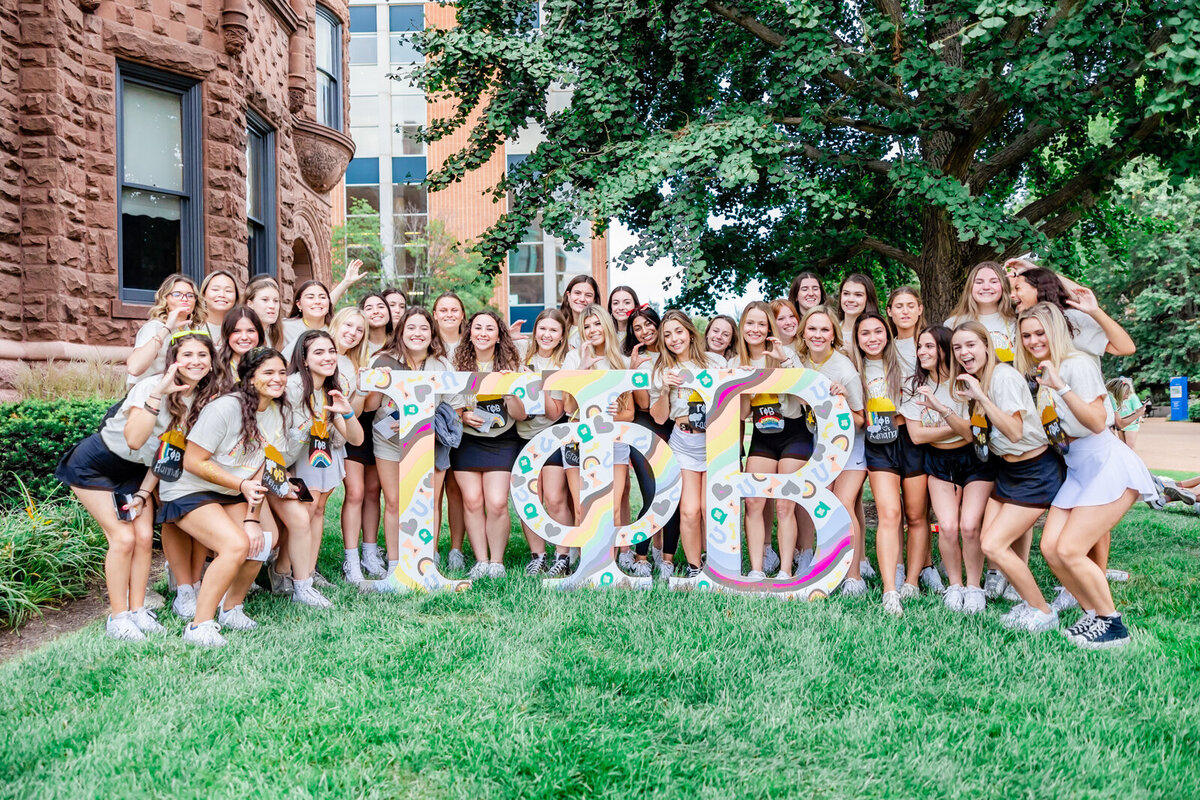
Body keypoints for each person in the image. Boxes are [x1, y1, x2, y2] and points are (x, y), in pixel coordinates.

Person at [55, 331, 221, 640]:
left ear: (212, 363)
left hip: (137, 472)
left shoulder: (200, 401)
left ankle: (136, 611)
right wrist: (158, 392)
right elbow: (134, 439)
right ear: (173, 361)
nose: (195, 361)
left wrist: (145, 493)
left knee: (144, 538)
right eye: (187, 355)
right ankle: (117, 619)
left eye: (202, 356)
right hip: (95, 466)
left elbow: (167, 454)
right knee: (123, 538)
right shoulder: (150, 386)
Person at [1017, 303, 1155, 647]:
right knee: (1051, 548)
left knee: (1071, 549)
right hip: (1077, 470)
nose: (1034, 341)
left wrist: (1061, 386)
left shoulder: (1076, 364)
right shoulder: (1043, 371)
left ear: (1056, 331)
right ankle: (1093, 613)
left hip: (1106, 464)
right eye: (1027, 335)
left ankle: (1113, 624)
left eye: (1040, 333)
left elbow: (1096, 422)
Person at [155, 346, 295, 646]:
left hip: (232, 489)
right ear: (249, 377)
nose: (278, 379)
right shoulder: (225, 408)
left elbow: (260, 466)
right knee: (234, 545)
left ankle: (232, 608)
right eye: (268, 372)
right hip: (188, 488)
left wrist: (251, 518)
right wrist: (239, 486)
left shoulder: (276, 410)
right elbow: (193, 461)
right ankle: (199, 625)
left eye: (282, 372)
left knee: (263, 539)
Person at [939, 321, 1063, 632]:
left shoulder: (1002, 378)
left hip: (1035, 471)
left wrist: (981, 397)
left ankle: (1043, 611)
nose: (964, 352)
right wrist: (942, 410)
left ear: (986, 346)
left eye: (970, 345)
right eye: (957, 348)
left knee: (993, 545)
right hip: (1007, 470)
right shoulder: (977, 380)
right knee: (989, 539)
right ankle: (1027, 600)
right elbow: (977, 434)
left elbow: (1014, 430)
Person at [363, 308, 457, 584]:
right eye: (411, 328)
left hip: (430, 441)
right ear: (401, 332)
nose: (417, 334)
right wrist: (374, 383)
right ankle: (396, 563)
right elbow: (369, 407)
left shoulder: (441, 365)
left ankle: (427, 557)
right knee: (394, 502)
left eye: (423, 328)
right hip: (389, 441)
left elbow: (453, 407)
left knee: (430, 502)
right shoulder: (384, 361)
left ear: (432, 333)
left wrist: (419, 421)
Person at [907, 326, 995, 612]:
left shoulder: (966, 384)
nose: (922, 352)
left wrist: (942, 411)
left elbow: (972, 435)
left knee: (969, 526)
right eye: (920, 347)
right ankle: (955, 586)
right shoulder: (914, 386)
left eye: (930, 346)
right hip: (938, 462)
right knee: (946, 527)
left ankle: (974, 588)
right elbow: (917, 436)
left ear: (944, 349)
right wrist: (956, 425)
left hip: (974, 460)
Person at [850, 313, 932, 614]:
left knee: (916, 514)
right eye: (865, 334)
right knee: (889, 512)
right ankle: (890, 590)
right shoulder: (854, 368)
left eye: (878, 332)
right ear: (857, 339)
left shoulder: (907, 358)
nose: (872, 338)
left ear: (888, 333)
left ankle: (911, 581)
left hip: (910, 437)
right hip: (877, 442)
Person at [793, 306, 869, 594]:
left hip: (851, 447)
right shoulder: (803, 365)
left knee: (843, 504)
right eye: (812, 329)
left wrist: (844, 402)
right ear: (803, 333)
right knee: (824, 506)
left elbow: (862, 421)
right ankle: (827, 567)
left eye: (825, 329)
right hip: (821, 448)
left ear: (834, 335)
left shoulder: (844, 369)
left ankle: (853, 578)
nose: (818, 335)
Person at [650, 311, 726, 579]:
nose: (674, 339)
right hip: (683, 442)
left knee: (711, 507)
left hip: (715, 442)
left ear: (690, 332)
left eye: (678, 332)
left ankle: (717, 564)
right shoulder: (661, 369)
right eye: (667, 334)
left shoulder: (715, 362)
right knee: (690, 509)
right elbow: (659, 417)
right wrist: (663, 390)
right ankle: (695, 568)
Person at [284, 330, 364, 586]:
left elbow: (357, 439)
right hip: (296, 458)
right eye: (319, 352)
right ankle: (285, 572)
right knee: (305, 511)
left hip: (323, 454)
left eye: (331, 351)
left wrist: (348, 413)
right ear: (304, 359)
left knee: (318, 509)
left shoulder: (331, 390)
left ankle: (308, 571)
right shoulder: (292, 387)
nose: (328, 357)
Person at [452, 310, 527, 578]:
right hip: (467, 441)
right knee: (471, 502)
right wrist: (462, 415)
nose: (483, 333)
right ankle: (481, 561)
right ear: (469, 333)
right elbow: (444, 405)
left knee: (496, 502)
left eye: (490, 329)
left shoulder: (511, 365)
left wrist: (510, 391)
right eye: (478, 328)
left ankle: (497, 563)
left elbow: (521, 415)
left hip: (502, 440)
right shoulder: (455, 364)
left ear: (498, 336)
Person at [562, 306, 635, 571]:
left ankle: (609, 566)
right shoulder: (573, 358)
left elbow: (629, 413)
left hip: (614, 443)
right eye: (587, 326)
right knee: (582, 507)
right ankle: (587, 564)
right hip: (577, 442)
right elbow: (568, 408)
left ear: (607, 325)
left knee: (612, 509)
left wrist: (617, 414)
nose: (593, 331)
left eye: (597, 324)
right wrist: (580, 372)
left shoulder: (622, 362)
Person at [734, 301, 798, 578]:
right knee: (753, 502)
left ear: (769, 328)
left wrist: (784, 362)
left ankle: (785, 570)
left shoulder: (786, 353)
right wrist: (744, 385)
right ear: (742, 327)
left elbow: (807, 394)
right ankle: (757, 569)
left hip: (795, 433)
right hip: (762, 434)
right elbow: (742, 413)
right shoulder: (735, 362)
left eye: (762, 324)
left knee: (784, 503)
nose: (755, 329)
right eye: (750, 323)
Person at [516, 309, 572, 575]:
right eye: (543, 329)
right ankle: (537, 555)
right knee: (529, 497)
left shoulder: (564, 364)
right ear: (535, 331)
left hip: (552, 435)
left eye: (553, 330)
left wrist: (545, 383)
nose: (547, 335)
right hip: (521, 434)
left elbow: (554, 412)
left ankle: (563, 554)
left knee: (553, 498)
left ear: (561, 337)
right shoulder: (521, 357)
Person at [626, 306, 680, 579]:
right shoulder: (638, 359)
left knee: (675, 495)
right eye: (637, 328)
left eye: (649, 325)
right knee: (652, 494)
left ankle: (668, 560)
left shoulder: (676, 353)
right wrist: (633, 373)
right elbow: (644, 404)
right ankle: (641, 556)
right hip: (645, 427)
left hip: (678, 429)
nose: (645, 331)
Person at [1009, 264, 1136, 365]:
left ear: (1039, 288)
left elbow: (1126, 348)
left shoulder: (1072, 319)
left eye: (1017, 288)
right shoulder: (1023, 323)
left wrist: (1095, 311)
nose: (1012, 295)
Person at [431, 291, 469, 568]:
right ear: (434, 315)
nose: (448, 314)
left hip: (468, 425)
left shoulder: (470, 343)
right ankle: (429, 548)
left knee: (457, 490)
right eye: (442, 310)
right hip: (434, 426)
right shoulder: (428, 344)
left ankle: (456, 549)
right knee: (433, 489)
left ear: (462, 315)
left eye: (454, 310)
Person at [125, 274, 206, 386]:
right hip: (147, 396)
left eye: (190, 295)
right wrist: (167, 328)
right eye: (177, 294)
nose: (185, 299)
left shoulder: (195, 330)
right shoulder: (154, 327)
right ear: (165, 299)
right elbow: (134, 368)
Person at [944, 261, 1018, 363]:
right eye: (979, 282)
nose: (986, 287)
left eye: (994, 281)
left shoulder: (1016, 321)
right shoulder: (953, 324)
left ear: (1003, 286)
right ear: (970, 287)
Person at [282, 280, 334, 354]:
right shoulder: (284, 328)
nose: (317, 301)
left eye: (322, 297)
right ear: (299, 304)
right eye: (310, 297)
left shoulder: (336, 331)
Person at [885, 286, 926, 376]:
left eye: (911, 306)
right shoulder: (885, 347)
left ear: (920, 309)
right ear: (889, 311)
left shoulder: (931, 342)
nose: (905, 311)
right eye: (899, 307)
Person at [218, 306, 265, 381]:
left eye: (250, 331)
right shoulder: (214, 363)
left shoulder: (270, 362)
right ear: (226, 333)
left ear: (259, 333)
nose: (244, 337)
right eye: (236, 331)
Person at [835, 273, 880, 346]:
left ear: (868, 299)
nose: (850, 299)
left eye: (858, 295)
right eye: (846, 294)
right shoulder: (831, 330)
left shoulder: (876, 335)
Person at [200, 270, 240, 348]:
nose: (222, 295)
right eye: (215, 289)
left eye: (228, 291)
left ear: (236, 298)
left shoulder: (242, 329)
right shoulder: (192, 327)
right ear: (203, 294)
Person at [1107, 376, 1150, 449]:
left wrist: (1135, 414)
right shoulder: (1111, 399)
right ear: (1119, 391)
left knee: (1125, 447)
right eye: (1126, 393)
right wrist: (1138, 414)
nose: (1127, 397)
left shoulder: (1109, 396)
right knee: (1128, 448)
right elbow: (1119, 424)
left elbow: (1117, 420)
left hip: (1128, 426)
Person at [245, 275, 285, 350]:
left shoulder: (273, 335)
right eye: (265, 300)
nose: (272, 306)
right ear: (250, 304)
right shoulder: (243, 335)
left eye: (276, 301)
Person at [559, 275, 600, 349]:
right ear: (568, 295)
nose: (582, 299)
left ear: (594, 300)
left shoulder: (599, 329)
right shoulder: (559, 324)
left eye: (588, 295)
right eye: (577, 293)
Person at [360, 291, 394, 358]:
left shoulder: (399, 344)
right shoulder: (355, 344)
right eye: (369, 308)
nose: (376, 311)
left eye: (381, 307)